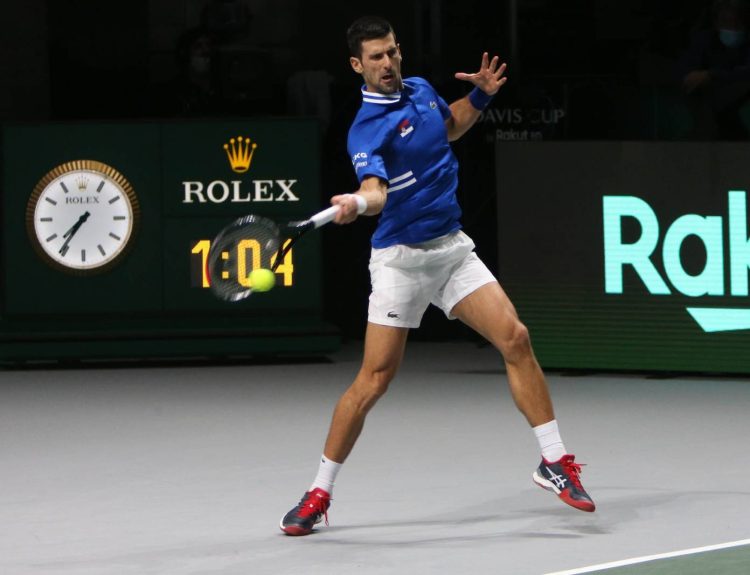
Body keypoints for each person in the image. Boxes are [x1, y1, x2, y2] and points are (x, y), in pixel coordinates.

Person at [279, 16, 595, 536]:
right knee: (373, 381)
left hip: (450, 250)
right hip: (401, 261)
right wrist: (358, 202)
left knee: (515, 338)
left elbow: (448, 127)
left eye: (392, 51)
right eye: (376, 57)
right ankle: (318, 492)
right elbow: (376, 190)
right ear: (357, 65)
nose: (388, 63)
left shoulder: (422, 89)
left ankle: (553, 461)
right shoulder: (366, 128)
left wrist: (482, 98)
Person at [679, 0, 750, 139]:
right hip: (708, 93)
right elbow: (686, 68)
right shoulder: (704, 39)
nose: (731, 27)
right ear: (716, 23)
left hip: (735, 90)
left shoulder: (747, 41)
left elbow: (746, 73)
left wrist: (711, 75)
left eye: (736, 23)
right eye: (726, 22)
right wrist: (692, 77)